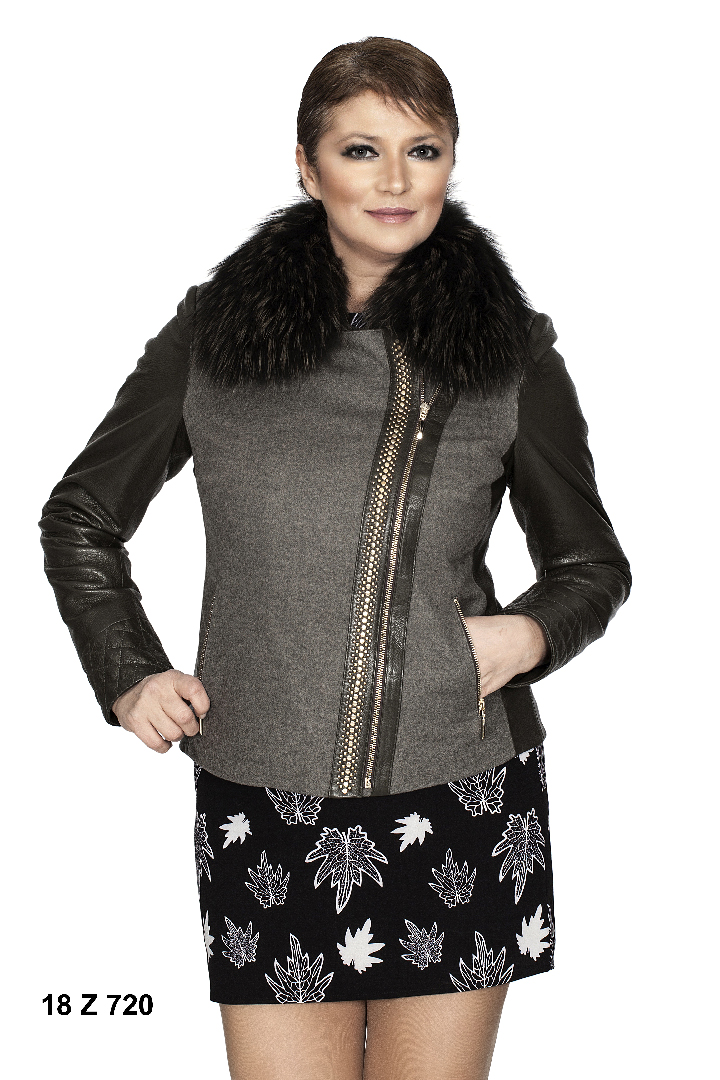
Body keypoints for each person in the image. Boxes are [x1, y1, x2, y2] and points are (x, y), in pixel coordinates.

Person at [39, 36, 631, 1080]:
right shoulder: (212, 338)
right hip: (262, 802)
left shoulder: (513, 354)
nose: (395, 180)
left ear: (452, 162)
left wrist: (526, 635)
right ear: (308, 168)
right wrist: (127, 671)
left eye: (423, 149)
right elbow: (82, 515)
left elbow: (591, 564)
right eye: (362, 150)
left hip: (459, 796)